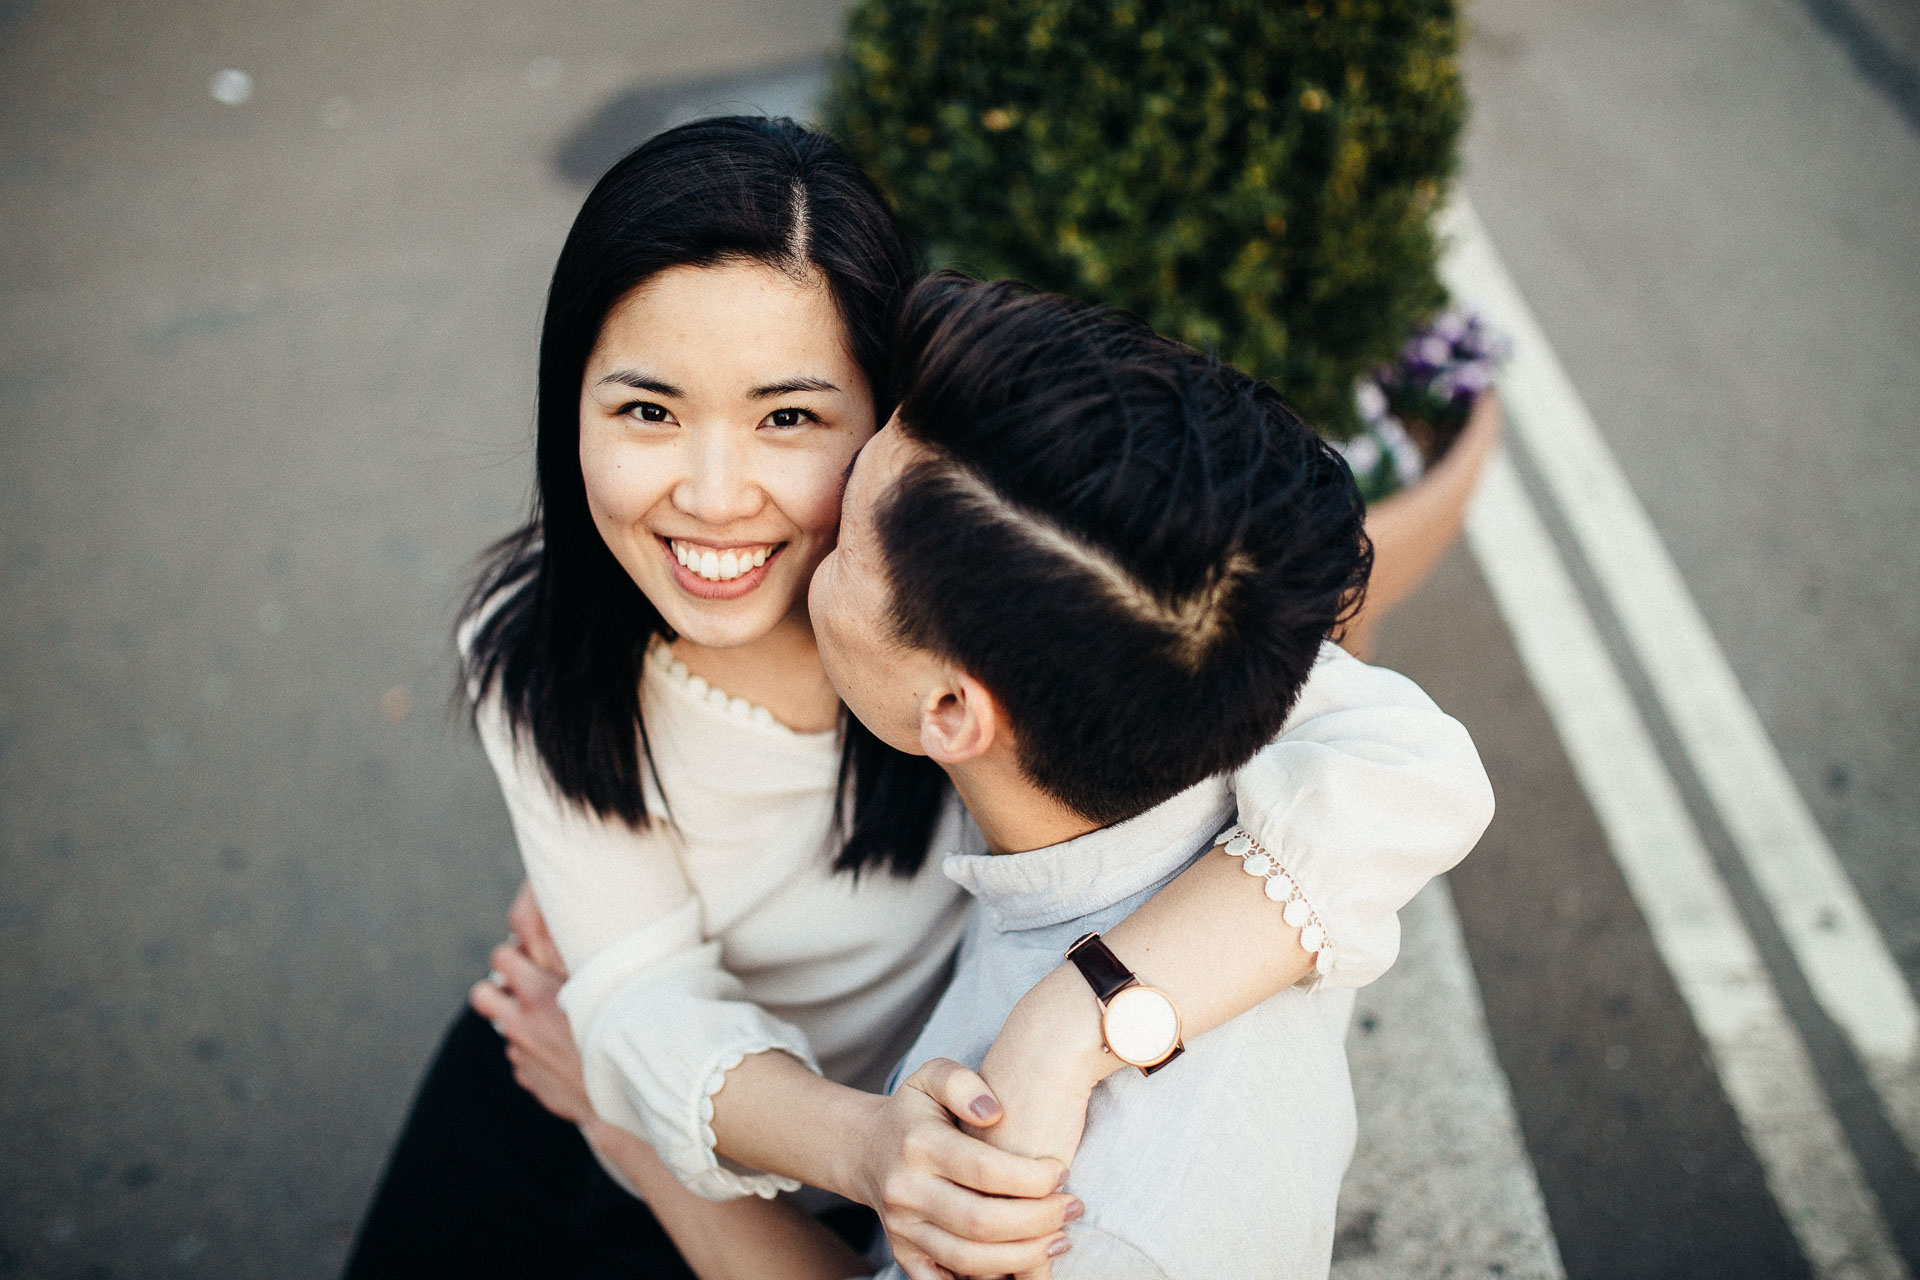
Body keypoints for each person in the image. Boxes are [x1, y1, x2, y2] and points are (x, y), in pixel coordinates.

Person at [344, 118, 1493, 1280]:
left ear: (884, 415)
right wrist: (869, 1142)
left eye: (788, 416)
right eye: (647, 410)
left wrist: (1079, 1013)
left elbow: (1411, 763)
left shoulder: (968, 601)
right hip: (635, 1093)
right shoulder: (534, 647)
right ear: (570, 406)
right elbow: (641, 1003)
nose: (713, 494)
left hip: (840, 1173)